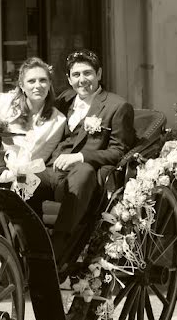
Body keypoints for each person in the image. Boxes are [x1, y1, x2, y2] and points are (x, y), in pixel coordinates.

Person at [31, 49, 136, 266]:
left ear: (99, 74)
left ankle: (59, 248)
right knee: (21, 179)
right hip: (51, 170)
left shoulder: (117, 106)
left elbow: (118, 150)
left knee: (84, 170)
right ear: (69, 79)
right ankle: (26, 241)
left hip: (84, 178)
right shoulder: (62, 101)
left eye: (87, 73)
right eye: (76, 75)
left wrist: (80, 157)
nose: (82, 80)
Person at [0, 57, 67, 164]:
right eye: (31, 81)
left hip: (30, 173)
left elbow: (41, 157)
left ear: (49, 83)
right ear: (22, 85)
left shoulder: (58, 120)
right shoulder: (4, 104)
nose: (37, 86)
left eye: (43, 80)